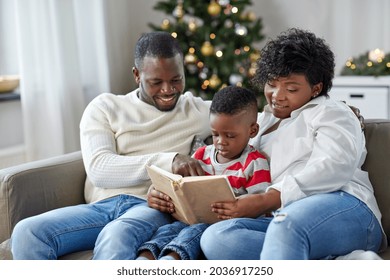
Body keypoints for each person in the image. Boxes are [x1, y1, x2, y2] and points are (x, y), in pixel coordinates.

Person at [10, 31, 212, 260]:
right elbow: (99, 169)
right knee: (27, 232)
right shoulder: (105, 107)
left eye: (176, 79)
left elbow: (251, 120)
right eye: (156, 82)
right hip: (100, 207)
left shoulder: (197, 110)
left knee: (116, 235)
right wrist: (171, 160)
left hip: (150, 207)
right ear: (137, 75)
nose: (168, 90)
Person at [198, 28, 387, 259]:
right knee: (217, 238)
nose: (277, 95)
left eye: (291, 88)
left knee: (287, 226)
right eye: (271, 84)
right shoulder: (258, 123)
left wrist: (266, 199)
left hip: (346, 207)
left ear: (316, 88)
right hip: (282, 219)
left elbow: (335, 166)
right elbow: (208, 115)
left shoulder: (332, 112)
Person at [136, 85, 271, 260]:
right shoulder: (201, 155)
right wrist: (160, 191)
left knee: (194, 232)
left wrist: (238, 205)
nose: (221, 142)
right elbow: (180, 185)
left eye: (230, 136)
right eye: (215, 134)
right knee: (168, 230)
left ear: (252, 130)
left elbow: (261, 207)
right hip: (189, 219)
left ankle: (171, 259)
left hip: (220, 225)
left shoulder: (254, 162)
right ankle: (144, 259)